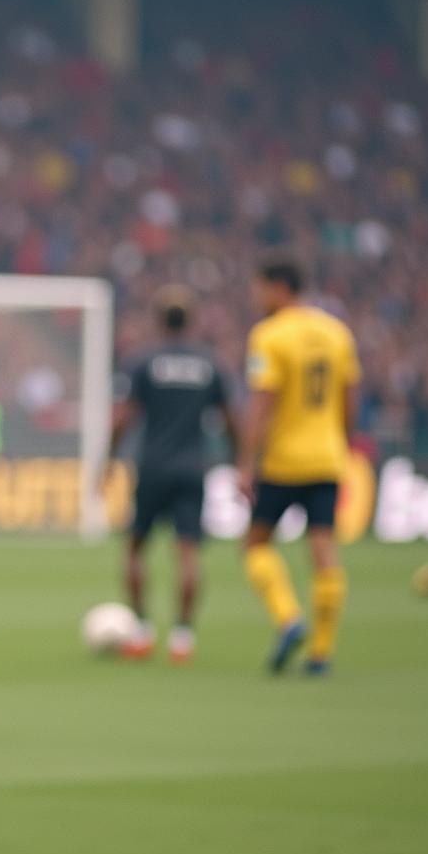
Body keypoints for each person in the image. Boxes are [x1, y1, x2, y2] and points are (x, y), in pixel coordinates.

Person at [238, 259, 360, 675]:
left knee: (255, 543)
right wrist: (341, 446)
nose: (255, 297)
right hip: (328, 455)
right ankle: (321, 653)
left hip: (284, 460)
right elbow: (348, 399)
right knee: (324, 548)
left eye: (259, 288)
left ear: (277, 287)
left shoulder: (269, 335)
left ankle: (289, 619)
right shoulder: (337, 332)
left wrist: (245, 462)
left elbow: (261, 403)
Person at [109, 286, 238, 664]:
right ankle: (182, 638)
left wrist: (109, 458)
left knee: (135, 548)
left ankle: (142, 632)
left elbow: (125, 416)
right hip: (193, 467)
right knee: (188, 553)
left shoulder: (143, 361)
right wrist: (238, 461)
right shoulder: (210, 363)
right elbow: (232, 419)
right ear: (191, 320)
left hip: (152, 466)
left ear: (159, 320)